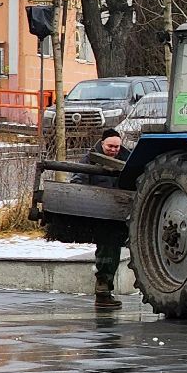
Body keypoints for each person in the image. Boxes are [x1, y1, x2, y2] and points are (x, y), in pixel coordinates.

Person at [73, 128, 130, 309]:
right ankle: (103, 292)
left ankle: (105, 292)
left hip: (122, 210)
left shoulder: (128, 159)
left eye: (117, 147)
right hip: (101, 212)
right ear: (102, 143)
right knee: (108, 248)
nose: (114, 150)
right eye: (110, 146)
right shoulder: (90, 159)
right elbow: (78, 179)